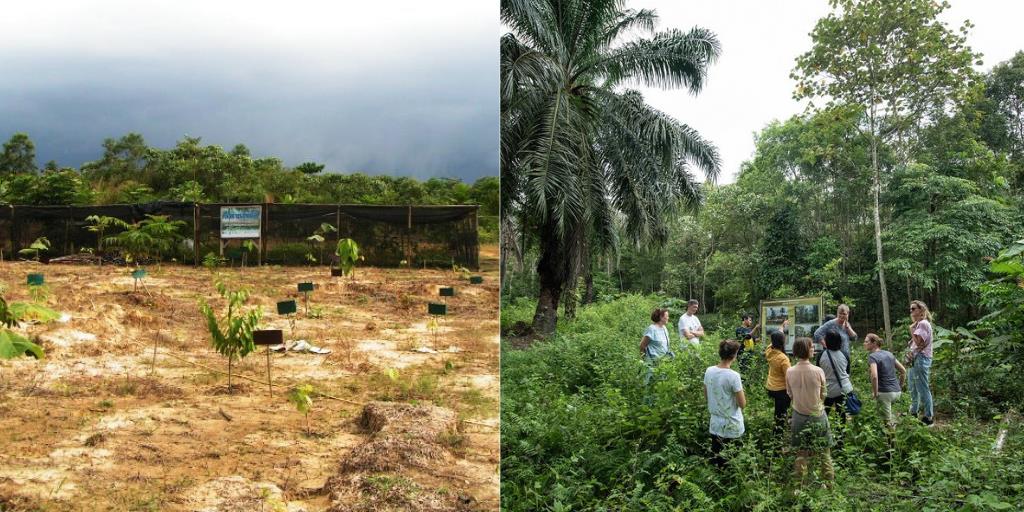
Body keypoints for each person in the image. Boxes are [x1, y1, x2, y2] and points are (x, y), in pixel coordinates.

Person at [787, 337, 834, 486]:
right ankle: (829, 485)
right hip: (818, 415)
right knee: (825, 452)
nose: (814, 349)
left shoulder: (789, 371)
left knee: (801, 453)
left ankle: (800, 486)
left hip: (798, 416)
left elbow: (790, 394)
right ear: (806, 350)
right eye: (811, 347)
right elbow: (824, 394)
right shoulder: (818, 370)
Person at [704, 339, 745, 467]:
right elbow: (742, 404)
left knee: (717, 460)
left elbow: (707, 395)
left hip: (715, 423)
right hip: (732, 423)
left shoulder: (709, 371)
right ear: (734, 355)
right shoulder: (734, 376)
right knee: (732, 462)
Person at [863, 333, 906, 427]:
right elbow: (903, 371)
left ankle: (891, 441)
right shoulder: (889, 354)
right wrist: (900, 386)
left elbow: (874, 376)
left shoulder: (873, 357)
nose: (864, 343)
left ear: (874, 343)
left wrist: (875, 393)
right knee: (892, 418)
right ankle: (893, 436)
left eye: (866, 342)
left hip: (885, 393)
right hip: (897, 392)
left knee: (887, 423)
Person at [818, 330, 854, 430]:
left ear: (827, 341)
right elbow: (847, 372)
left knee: (824, 413)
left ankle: (824, 434)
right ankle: (840, 440)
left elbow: (818, 372)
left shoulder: (821, 355)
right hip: (843, 389)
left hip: (828, 389)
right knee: (841, 414)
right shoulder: (844, 354)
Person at [906, 300, 934, 426]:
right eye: (910, 309)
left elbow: (918, 343)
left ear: (921, 310)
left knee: (922, 388)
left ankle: (928, 417)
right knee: (912, 386)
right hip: (915, 359)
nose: (911, 311)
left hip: (921, 359)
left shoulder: (922, 324)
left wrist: (911, 329)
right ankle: (913, 411)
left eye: (913, 309)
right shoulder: (919, 324)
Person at [764, 330, 791, 434]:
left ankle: (779, 429)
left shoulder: (769, 351)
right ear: (782, 341)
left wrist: (781, 329)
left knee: (778, 411)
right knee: (780, 415)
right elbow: (789, 377)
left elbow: (772, 343)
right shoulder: (783, 359)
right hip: (781, 390)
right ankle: (778, 437)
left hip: (771, 387)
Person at [640, 308, 674, 387]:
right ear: (661, 317)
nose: (668, 318)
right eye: (667, 316)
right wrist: (644, 360)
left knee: (660, 384)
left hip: (663, 361)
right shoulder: (652, 329)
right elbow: (642, 345)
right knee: (650, 384)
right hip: (652, 361)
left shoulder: (664, 328)